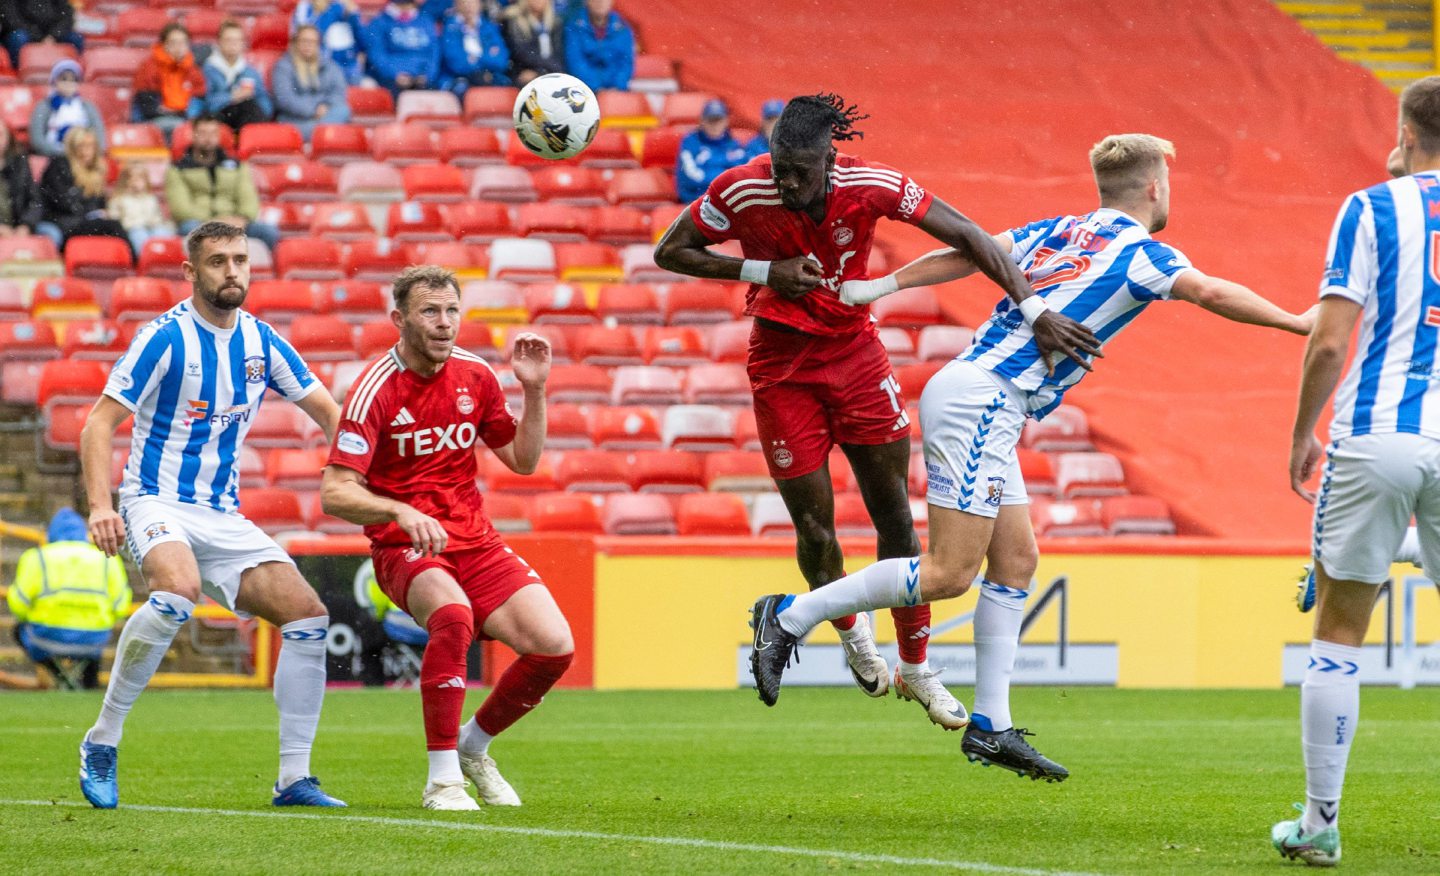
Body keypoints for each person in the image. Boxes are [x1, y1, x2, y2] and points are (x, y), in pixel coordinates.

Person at [745, 132, 1312, 782]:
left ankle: (990, 725)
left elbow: (968, 253)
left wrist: (882, 287)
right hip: (987, 398)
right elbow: (1209, 292)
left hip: (981, 393)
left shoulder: (1060, 230)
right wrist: (1297, 323)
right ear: (1156, 188)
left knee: (1016, 558)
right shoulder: (1145, 255)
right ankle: (789, 615)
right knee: (949, 572)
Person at [655, 93, 1097, 731]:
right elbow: (671, 250)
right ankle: (854, 636)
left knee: (895, 514)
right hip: (781, 367)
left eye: (800, 171)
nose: (787, 181)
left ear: (831, 158)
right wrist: (761, 269)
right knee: (814, 528)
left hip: (857, 360)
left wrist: (1034, 310)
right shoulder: (740, 190)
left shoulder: (874, 184)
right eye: (779, 166)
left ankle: (916, 666)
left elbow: (972, 237)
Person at [76, 220, 347, 811]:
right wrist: (101, 506)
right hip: (154, 498)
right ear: (191, 272)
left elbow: (332, 415)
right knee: (178, 591)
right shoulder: (163, 338)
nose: (233, 272)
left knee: (308, 617)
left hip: (222, 514)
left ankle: (294, 779)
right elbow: (98, 423)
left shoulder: (264, 342)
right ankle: (103, 739)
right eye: (219, 261)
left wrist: (350, 471)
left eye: (241, 260)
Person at [321, 265, 573, 811]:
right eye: (429, 311)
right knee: (453, 617)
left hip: (473, 540)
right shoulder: (372, 390)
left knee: (554, 646)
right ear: (399, 319)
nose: (444, 323)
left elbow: (524, 461)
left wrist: (535, 390)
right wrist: (397, 510)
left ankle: (472, 747)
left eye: (452, 311)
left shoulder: (475, 375)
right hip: (401, 546)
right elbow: (335, 492)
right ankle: (442, 781)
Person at [1275, 76, 1440, 867]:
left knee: (1339, 633)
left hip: (1379, 433)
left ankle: (1319, 823)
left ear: (1406, 132)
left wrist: (1304, 430)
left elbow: (1332, 340)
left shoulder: (1373, 207)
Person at [7, 507, 130, 691]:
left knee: (19, 630)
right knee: (92, 645)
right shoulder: (106, 559)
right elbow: (121, 606)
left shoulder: (37, 558)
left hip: (45, 637)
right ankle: (88, 686)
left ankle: (57, 676)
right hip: (93, 640)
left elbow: (18, 604)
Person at [165, 114, 280, 253]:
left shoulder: (237, 165)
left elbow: (249, 200)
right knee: (188, 229)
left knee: (269, 232)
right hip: (199, 223)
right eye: (203, 133)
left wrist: (241, 219)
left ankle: (259, 273)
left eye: (213, 133)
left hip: (234, 221)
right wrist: (213, 223)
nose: (208, 138)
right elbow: (181, 209)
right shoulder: (178, 169)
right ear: (193, 135)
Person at [35, 127, 131, 255]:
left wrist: (98, 213)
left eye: (91, 146)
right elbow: (62, 201)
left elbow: (99, 203)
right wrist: (91, 213)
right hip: (63, 224)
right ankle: (134, 262)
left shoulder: (96, 171)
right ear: (73, 148)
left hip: (85, 222)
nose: (86, 151)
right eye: (82, 146)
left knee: (112, 226)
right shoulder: (59, 165)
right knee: (113, 226)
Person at [272, 24, 352, 142]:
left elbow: (338, 94)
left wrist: (325, 107)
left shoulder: (330, 66)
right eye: (304, 40)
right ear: (295, 43)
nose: (308, 45)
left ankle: (318, 134)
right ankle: (322, 134)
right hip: (295, 121)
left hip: (325, 116)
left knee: (343, 110)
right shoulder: (283, 66)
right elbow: (284, 98)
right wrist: (313, 110)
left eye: (313, 41)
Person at [132, 23, 206, 139]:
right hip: (154, 121)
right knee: (182, 130)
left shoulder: (193, 70)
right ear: (163, 45)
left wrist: (186, 115)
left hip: (184, 120)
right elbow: (149, 108)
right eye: (173, 43)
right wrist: (176, 113)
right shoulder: (149, 68)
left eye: (183, 43)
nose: (179, 47)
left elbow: (198, 103)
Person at [202, 20, 274, 135]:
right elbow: (207, 102)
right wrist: (232, 97)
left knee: (249, 105)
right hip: (220, 117)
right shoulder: (208, 69)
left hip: (249, 116)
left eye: (237, 40)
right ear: (219, 42)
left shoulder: (250, 71)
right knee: (246, 106)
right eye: (228, 40)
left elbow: (265, 102)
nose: (233, 44)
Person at [29, 59, 106, 160]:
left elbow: (99, 138)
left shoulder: (88, 107)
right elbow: (38, 140)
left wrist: (85, 151)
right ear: (54, 81)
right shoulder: (44, 106)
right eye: (64, 79)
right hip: (54, 158)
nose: (69, 83)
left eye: (73, 79)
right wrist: (65, 152)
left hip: (84, 159)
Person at [675, 98, 748, 204]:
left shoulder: (734, 145)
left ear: (726, 121)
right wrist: (726, 176)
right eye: (711, 120)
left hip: (728, 202)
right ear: (702, 121)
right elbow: (691, 178)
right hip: (696, 202)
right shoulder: (690, 143)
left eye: (718, 120)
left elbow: (743, 175)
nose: (715, 125)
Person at [366, 0, 441, 96]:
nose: (405, 9)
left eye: (408, 5)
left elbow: (434, 53)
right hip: (392, 80)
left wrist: (428, 75)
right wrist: (394, 75)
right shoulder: (379, 22)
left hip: (423, 79)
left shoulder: (425, 21)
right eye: (401, 5)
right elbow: (377, 55)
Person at [439, 0, 511, 95]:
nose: (468, 6)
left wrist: (476, 59)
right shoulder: (450, 28)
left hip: (490, 76)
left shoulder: (489, 27)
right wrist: (486, 61)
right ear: (456, 4)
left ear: (480, 4)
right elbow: (457, 64)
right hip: (458, 79)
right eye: (464, 2)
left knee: (509, 87)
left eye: (473, 2)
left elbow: (501, 61)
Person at [292, 0, 366, 86]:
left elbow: (363, 42)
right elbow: (309, 37)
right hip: (320, 67)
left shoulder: (343, 6)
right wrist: (329, 11)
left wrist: (353, 14)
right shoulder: (305, 7)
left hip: (349, 68)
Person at [564, 0, 632, 92]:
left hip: (616, 93)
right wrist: (596, 88)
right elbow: (575, 62)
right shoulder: (574, 27)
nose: (600, 2)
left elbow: (626, 64)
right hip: (584, 91)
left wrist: (617, 87)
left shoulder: (623, 28)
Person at [108, 163, 174, 254]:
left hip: (152, 227)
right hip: (132, 229)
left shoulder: (151, 199)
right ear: (125, 181)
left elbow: (157, 217)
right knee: (139, 234)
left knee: (162, 232)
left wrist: (156, 224)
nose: (136, 182)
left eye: (140, 179)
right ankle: (146, 257)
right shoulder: (119, 199)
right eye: (132, 178)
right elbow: (114, 220)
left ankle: (165, 256)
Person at [0, 0, 83, 70]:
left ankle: (71, 72)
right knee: (19, 37)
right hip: (26, 33)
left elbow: (67, 16)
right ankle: (18, 71)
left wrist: (53, 35)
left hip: (52, 34)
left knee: (75, 38)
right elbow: (11, 18)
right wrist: (38, 37)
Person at [503, 0, 565, 86]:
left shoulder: (555, 23)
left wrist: (542, 72)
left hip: (548, 72)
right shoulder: (513, 20)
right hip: (521, 72)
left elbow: (559, 53)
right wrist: (549, 69)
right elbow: (521, 53)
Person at [0, 123, 41, 238]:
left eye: (0, 134)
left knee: (50, 235)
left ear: (9, 138)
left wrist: (26, 225)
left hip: (19, 227)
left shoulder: (20, 164)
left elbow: (35, 201)